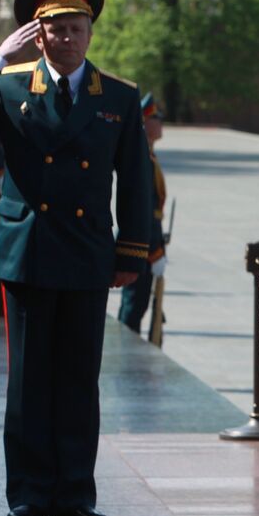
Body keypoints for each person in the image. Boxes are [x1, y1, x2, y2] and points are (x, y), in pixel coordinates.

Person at [0, 0, 152, 516]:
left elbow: (133, 180)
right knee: (30, 382)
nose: (66, 38)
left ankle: (75, 492)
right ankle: (30, 493)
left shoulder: (119, 98)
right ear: (39, 33)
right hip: (29, 252)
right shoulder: (9, 86)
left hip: (86, 254)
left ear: (90, 32)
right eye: (55, 29)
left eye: (76, 28)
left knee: (79, 381)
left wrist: (133, 253)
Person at [118, 92, 168, 336]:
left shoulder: (149, 156)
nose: (160, 123)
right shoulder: (143, 159)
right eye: (155, 118)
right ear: (144, 123)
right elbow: (145, 209)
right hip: (143, 246)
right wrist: (154, 250)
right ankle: (126, 345)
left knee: (138, 304)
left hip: (146, 243)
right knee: (133, 305)